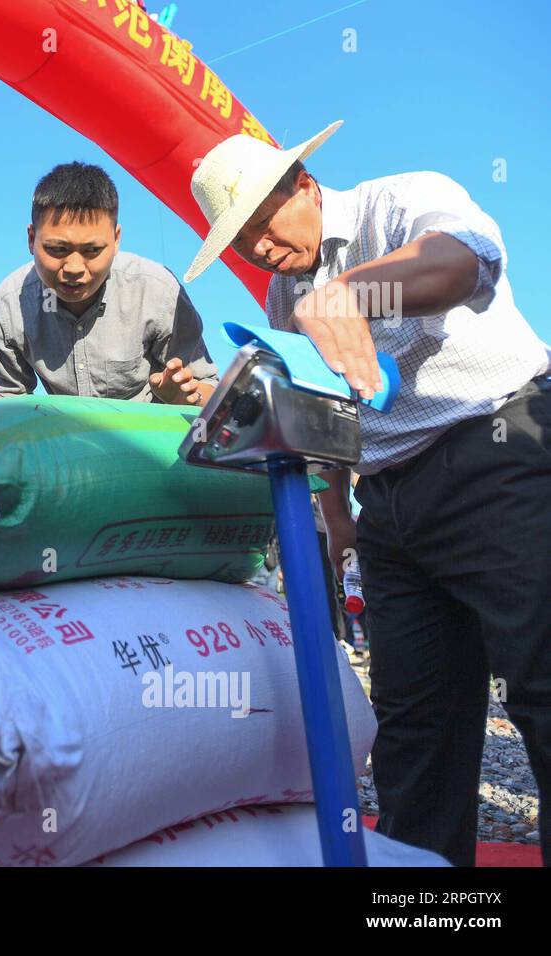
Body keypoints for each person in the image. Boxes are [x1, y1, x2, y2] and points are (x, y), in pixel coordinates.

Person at [184, 120, 551, 867]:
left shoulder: (403, 201)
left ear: (305, 186)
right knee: (415, 723)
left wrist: (353, 292)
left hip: (498, 458)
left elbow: (464, 261)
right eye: (240, 239)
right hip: (387, 507)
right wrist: (336, 517)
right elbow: (329, 411)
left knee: (540, 686)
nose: (258, 246)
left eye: (263, 220)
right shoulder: (288, 296)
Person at [0, 162, 217, 406]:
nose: (74, 268)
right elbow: (7, 402)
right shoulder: (10, 306)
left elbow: (212, 394)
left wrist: (185, 397)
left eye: (92, 250)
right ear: (32, 239)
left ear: (116, 240)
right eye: (57, 249)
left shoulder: (157, 293)